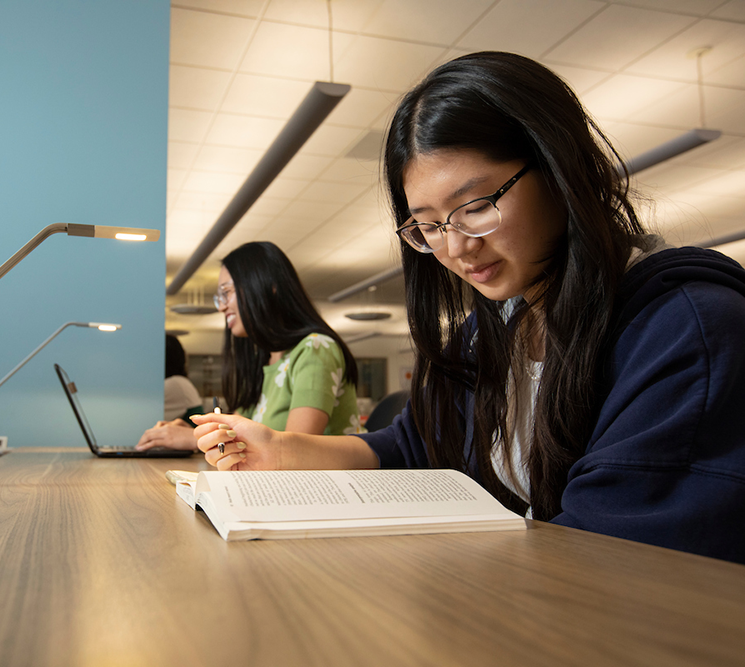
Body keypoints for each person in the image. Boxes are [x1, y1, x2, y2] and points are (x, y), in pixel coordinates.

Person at [192, 52, 745, 564]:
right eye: (428, 226)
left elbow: (614, 556)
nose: (454, 247)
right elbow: (413, 444)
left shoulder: (683, 330)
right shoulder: (491, 330)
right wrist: (284, 450)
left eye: (475, 206)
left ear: (559, 169)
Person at [137, 241, 361, 450]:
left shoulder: (315, 348)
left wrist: (194, 440)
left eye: (226, 293)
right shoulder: (263, 360)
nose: (221, 307)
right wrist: (203, 434)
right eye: (220, 298)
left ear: (269, 287)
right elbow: (235, 433)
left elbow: (294, 450)